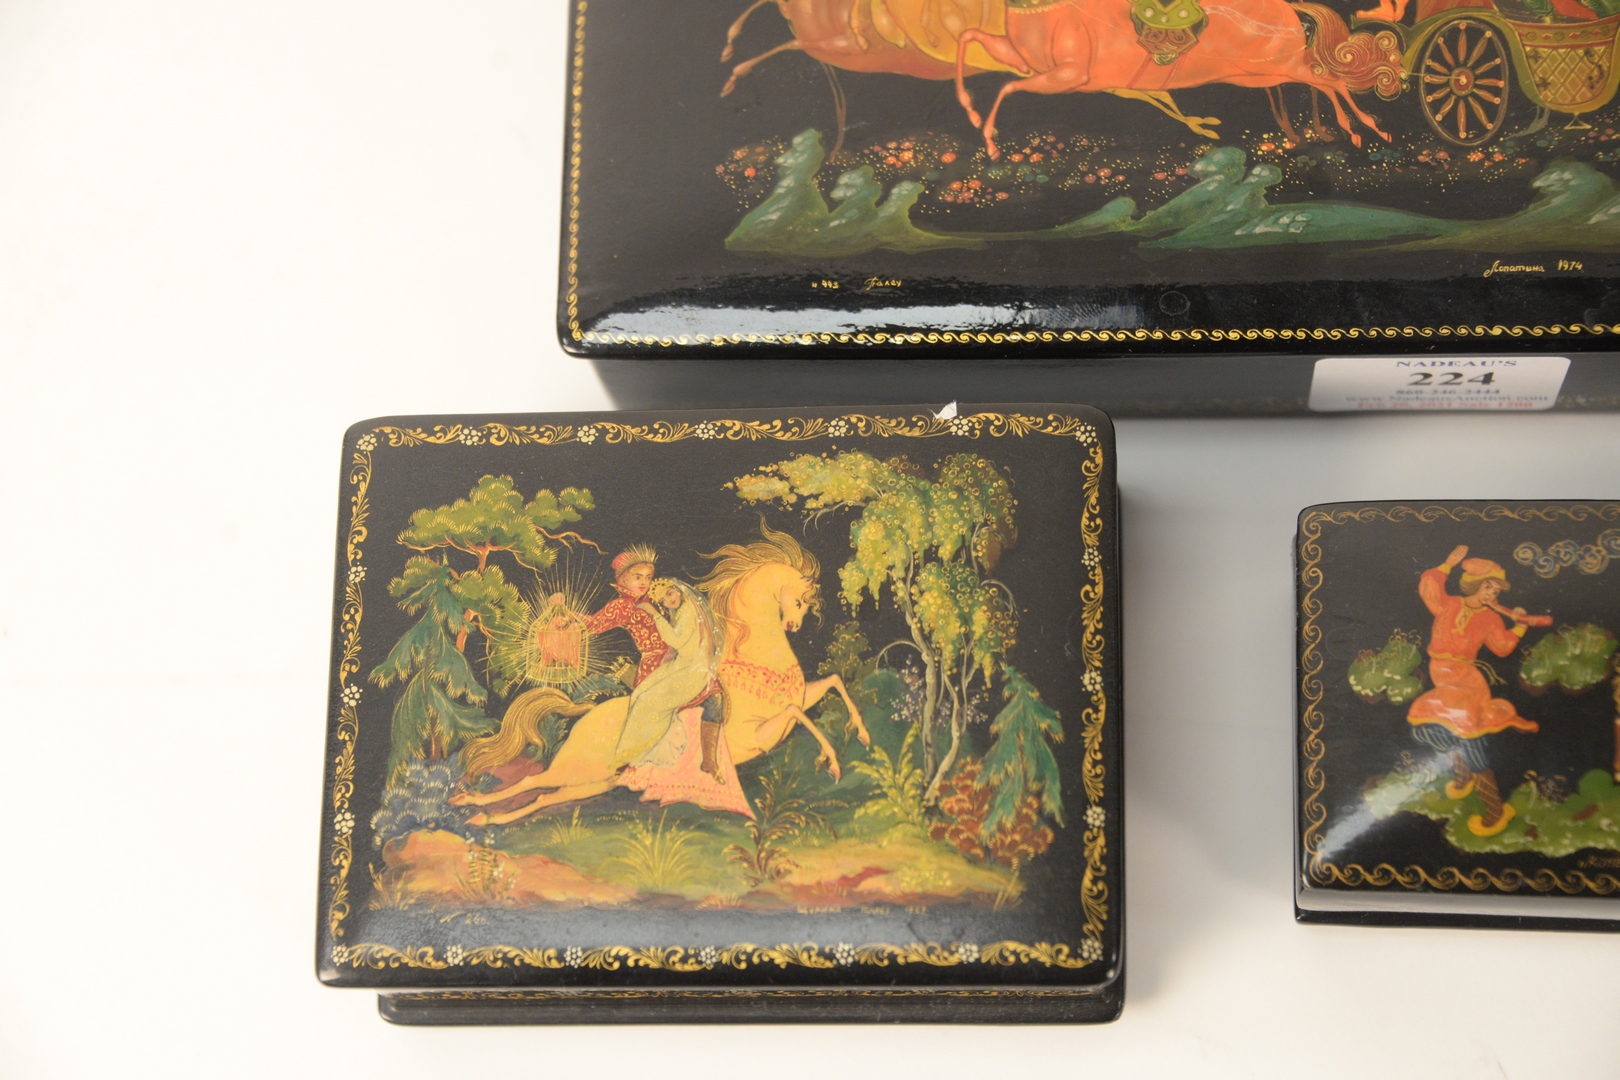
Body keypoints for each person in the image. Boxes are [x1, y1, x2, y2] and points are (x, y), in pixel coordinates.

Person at [1407, 545, 1552, 837]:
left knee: (1470, 736)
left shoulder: (1491, 618)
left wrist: (1519, 627)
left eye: (1496, 590)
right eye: (1489, 586)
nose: (1492, 593)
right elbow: (1428, 587)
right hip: (1443, 678)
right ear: (1474, 584)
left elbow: (1502, 647)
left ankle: (1494, 809)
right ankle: (1463, 772)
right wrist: (1447, 564)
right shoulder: (1448, 605)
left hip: (1467, 682)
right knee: (1423, 728)